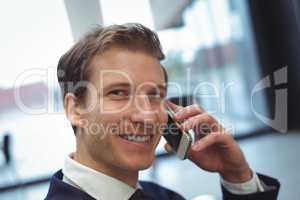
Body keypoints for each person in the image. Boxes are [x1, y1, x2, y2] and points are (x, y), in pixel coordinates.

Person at [45, 23, 280, 200]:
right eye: (118, 93)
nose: (146, 116)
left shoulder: (160, 195)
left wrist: (236, 175)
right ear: (75, 109)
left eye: (154, 95)